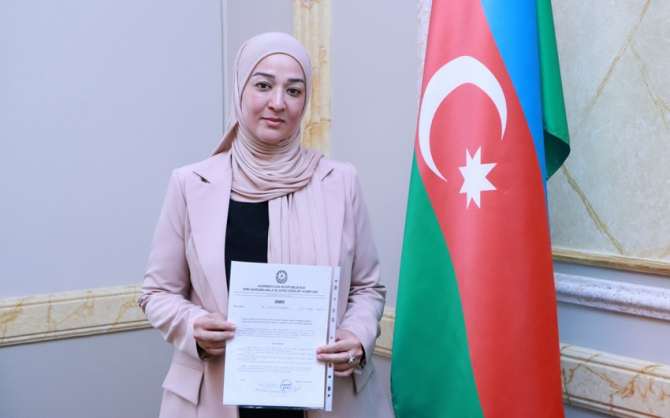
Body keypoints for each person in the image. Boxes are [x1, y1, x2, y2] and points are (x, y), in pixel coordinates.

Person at [139, 32, 393, 418]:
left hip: (323, 397)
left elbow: (367, 288)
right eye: (263, 85)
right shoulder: (191, 184)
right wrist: (194, 326)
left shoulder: (340, 182)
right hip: (217, 396)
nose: (278, 103)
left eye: (294, 90)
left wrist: (357, 336)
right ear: (240, 88)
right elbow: (158, 292)